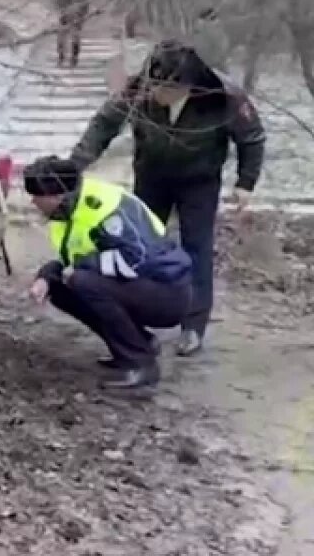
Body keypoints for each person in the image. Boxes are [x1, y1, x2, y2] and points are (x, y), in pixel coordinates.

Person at [69, 40, 266, 357]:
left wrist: (246, 183)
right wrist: (76, 164)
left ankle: (193, 326)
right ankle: (137, 322)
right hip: (151, 175)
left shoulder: (223, 96)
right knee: (137, 246)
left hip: (199, 180)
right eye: (154, 83)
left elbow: (252, 138)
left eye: (165, 87)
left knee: (196, 248)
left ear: (188, 84)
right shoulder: (139, 89)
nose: (156, 93)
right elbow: (104, 123)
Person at [23, 156, 194, 391]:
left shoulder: (105, 208)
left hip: (166, 290)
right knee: (61, 287)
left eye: (36, 197)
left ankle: (141, 366)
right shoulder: (67, 212)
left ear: (55, 196)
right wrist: (46, 276)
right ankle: (138, 345)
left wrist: (81, 266)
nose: (33, 202)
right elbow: (71, 259)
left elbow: (136, 259)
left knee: (83, 282)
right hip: (138, 285)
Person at [54, 0, 89, 67]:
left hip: (76, 20)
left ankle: (74, 58)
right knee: (61, 39)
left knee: (75, 39)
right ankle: (61, 57)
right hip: (64, 19)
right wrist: (62, 12)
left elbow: (85, 7)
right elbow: (58, 4)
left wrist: (81, 17)